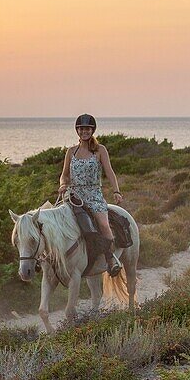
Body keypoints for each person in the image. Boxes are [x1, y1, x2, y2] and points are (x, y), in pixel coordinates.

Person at [57, 114, 123, 276]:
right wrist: (63, 185)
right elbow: (64, 175)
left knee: (104, 225)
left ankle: (110, 258)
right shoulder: (71, 151)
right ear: (77, 131)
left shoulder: (100, 150)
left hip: (93, 194)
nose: (84, 131)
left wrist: (116, 190)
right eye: (81, 129)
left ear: (92, 130)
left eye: (87, 129)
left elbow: (109, 172)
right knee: (55, 220)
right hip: (74, 195)